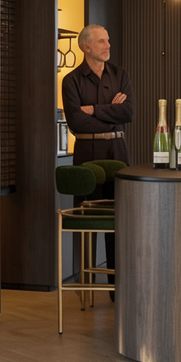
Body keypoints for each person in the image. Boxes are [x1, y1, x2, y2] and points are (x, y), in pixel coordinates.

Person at [60, 24, 134, 277]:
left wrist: (94, 109)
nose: (108, 45)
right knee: (87, 216)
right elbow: (76, 121)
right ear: (86, 46)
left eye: (108, 40)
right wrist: (112, 113)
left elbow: (129, 113)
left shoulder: (120, 74)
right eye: (102, 41)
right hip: (87, 153)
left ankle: (116, 285)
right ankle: (86, 282)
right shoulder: (71, 80)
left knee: (118, 218)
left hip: (118, 151)